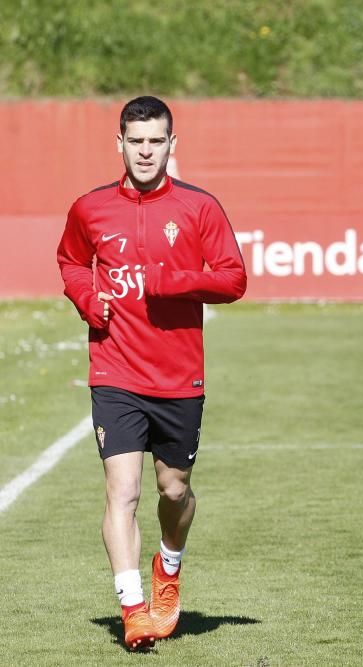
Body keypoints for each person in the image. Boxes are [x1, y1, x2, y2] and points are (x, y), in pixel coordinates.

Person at [57, 96, 247, 649]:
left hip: (178, 376)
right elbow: (71, 261)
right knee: (123, 489)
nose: (145, 151)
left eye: (155, 141)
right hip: (114, 370)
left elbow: (234, 279)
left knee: (174, 489)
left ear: (171, 144)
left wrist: (178, 279)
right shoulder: (89, 208)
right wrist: (88, 298)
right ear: (119, 144)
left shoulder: (199, 207)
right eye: (135, 141)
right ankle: (134, 608)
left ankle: (169, 563)